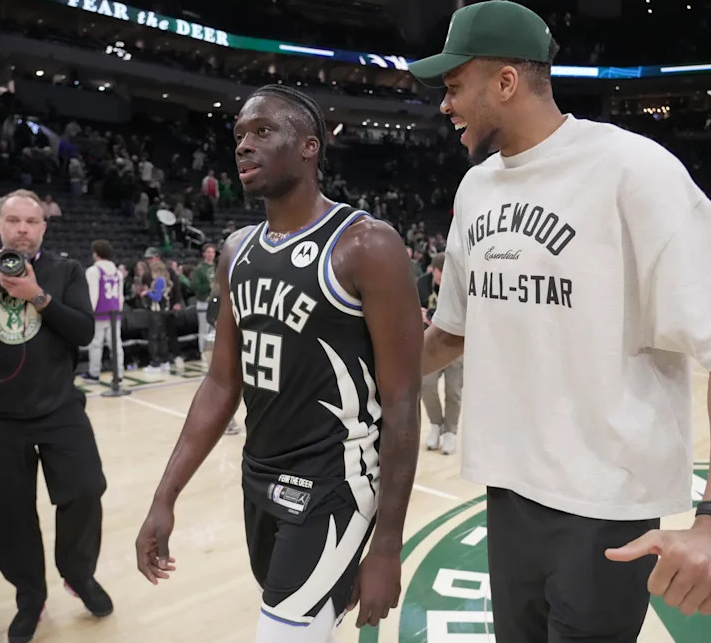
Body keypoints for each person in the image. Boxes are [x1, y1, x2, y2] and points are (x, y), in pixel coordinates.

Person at [409, 0, 711, 642]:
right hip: (508, 490)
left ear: (506, 82)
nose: (445, 105)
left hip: (607, 504)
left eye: (454, 87)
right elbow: (452, 331)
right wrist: (365, 370)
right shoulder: (474, 190)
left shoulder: (631, 168)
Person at [135, 84, 423, 641]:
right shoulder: (237, 250)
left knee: (284, 632)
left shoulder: (366, 244)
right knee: (307, 628)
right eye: (239, 135)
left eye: (262, 131)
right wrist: (164, 497)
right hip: (258, 475)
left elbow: (403, 402)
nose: (244, 145)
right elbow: (221, 384)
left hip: (334, 481)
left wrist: (388, 545)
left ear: (310, 146)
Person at [0, 189, 112, 643]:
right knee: (10, 514)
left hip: (58, 408)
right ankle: (29, 595)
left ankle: (77, 572)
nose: (22, 229)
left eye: (32, 221)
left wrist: (38, 296)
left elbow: (84, 331)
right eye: (13, 220)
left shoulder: (66, 270)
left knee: (86, 488)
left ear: (44, 227)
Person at [417, 253, 462, 455]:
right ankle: (436, 424)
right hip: (428, 343)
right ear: (432, 270)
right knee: (427, 386)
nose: (443, 277)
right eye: (439, 272)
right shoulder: (421, 284)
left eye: (446, 272)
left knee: (453, 391)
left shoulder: (458, 283)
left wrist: (429, 316)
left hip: (454, 344)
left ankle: (451, 431)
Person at [83, 239, 124, 382]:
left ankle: (94, 373)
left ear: (95, 254)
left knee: (96, 344)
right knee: (116, 345)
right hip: (114, 312)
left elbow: (93, 294)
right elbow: (120, 296)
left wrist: (89, 312)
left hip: (99, 313)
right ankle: (119, 374)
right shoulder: (118, 272)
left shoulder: (93, 271)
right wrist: (119, 311)